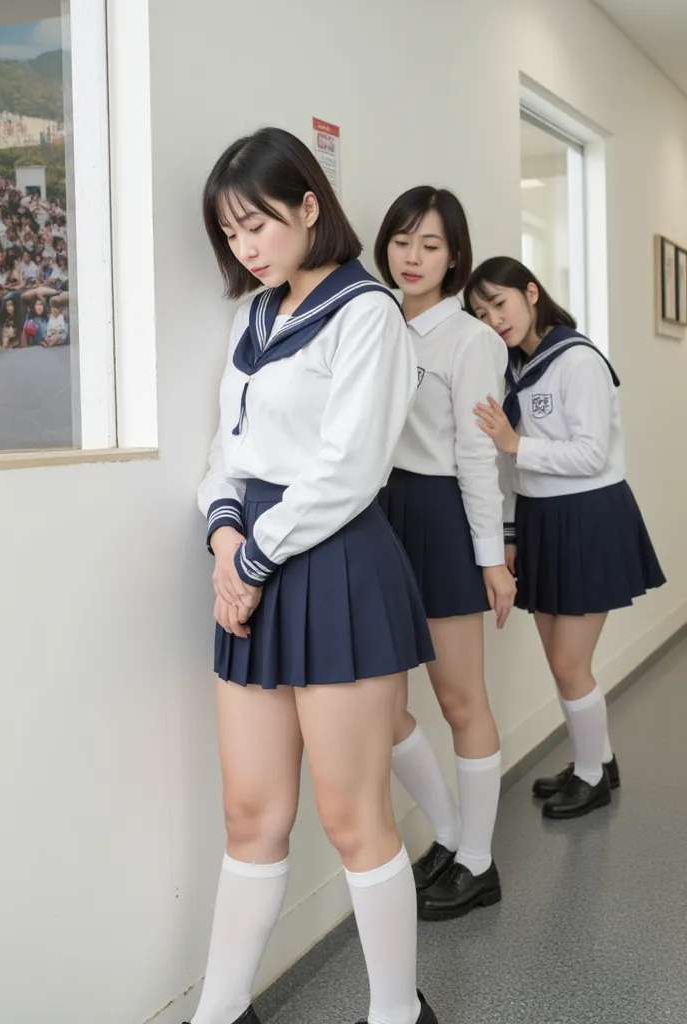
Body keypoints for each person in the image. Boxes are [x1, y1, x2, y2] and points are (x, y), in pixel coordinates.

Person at [188, 128, 438, 1024]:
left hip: (331, 560)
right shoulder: (249, 319)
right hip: (248, 562)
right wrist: (224, 541)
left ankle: (394, 1013)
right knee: (251, 812)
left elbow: (350, 467)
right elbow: (228, 449)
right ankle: (218, 1011)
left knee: (351, 818)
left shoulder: (368, 310)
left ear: (307, 207)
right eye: (229, 232)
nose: (244, 247)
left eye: (256, 223)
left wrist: (252, 557)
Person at [465, 256, 666, 819]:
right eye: (480, 314)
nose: (493, 320)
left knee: (569, 665)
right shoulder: (514, 368)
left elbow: (590, 453)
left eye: (499, 304)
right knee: (561, 662)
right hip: (541, 521)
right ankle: (597, 759)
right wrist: (508, 535)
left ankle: (590, 776)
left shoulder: (577, 360)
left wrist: (515, 444)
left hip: (589, 517)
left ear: (531, 293)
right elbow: (509, 469)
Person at [374, 188, 515, 922]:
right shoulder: (373, 322)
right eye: (402, 240)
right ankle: (455, 836)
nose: (412, 257)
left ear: (453, 256)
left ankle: (480, 863)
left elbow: (474, 457)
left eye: (429, 245)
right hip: (374, 516)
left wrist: (491, 557)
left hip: (438, 515)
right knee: (384, 705)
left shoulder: (473, 340)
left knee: (461, 700)